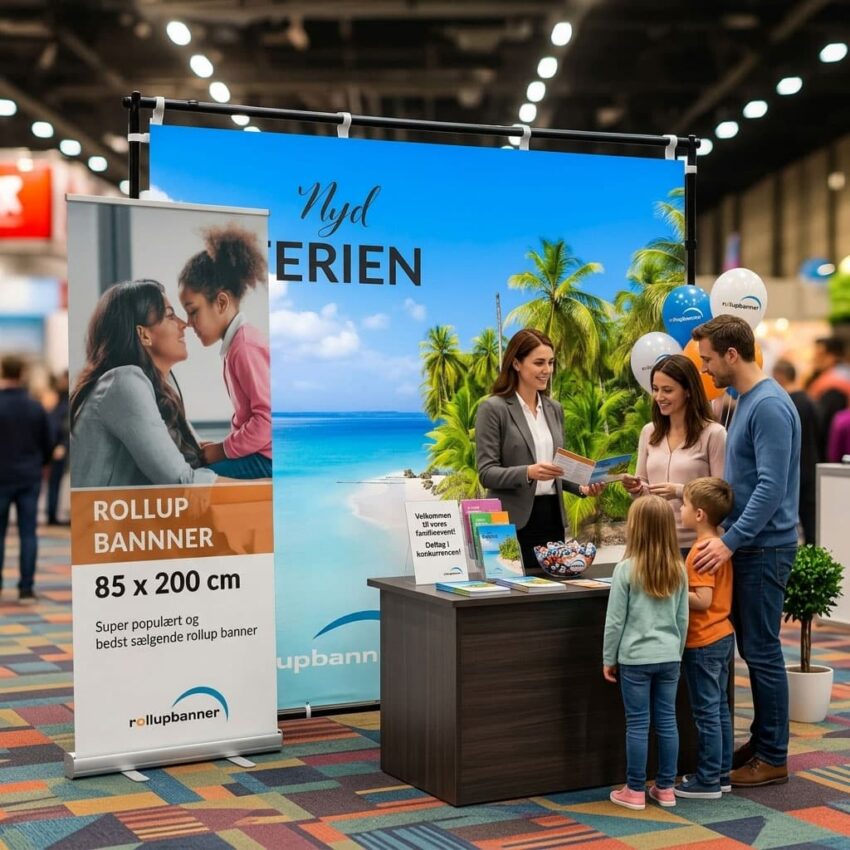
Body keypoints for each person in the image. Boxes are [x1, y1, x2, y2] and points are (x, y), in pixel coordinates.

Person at [692, 314, 800, 788]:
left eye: (709, 359)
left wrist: (728, 542)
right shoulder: (745, 401)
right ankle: (762, 741)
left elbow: (771, 488)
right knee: (755, 650)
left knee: (762, 651)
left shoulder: (768, 406)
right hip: (751, 546)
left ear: (732, 354)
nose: (706, 368)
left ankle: (773, 755)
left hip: (764, 548)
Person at [475, 328, 603, 575]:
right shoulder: (493, 409)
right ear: (516, 363)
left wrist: (582, 488)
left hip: (552, 519)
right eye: (539, 362)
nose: (547, 370)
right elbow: (487, 473)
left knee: (552, 591)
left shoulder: (554, 408)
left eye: (551, 362)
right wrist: (528, 472)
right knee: (510, 591)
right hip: (511, 523)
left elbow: (556, 469)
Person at [70, 280, 219, 488]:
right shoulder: (123, 382)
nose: (184, 324)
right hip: (111, 511)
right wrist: (262, 488)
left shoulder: (158, 384)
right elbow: (181, 481)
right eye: (170, 316)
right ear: (144, 334)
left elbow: (192, 456)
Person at [603, 495, 688, 810]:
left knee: (637, 724)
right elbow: (683, 618)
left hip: (635, 659)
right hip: (669, 657)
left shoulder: (625, 569)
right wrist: (676, 652)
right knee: (667, 721)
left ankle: (635, 790)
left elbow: (615, 621)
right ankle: (666, 788)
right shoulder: (678, 569)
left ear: (634, 528)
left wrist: (608, 658)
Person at [178, 224, 272, 479]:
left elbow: (267, 420)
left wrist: (222, 450)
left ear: (220, 302)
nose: (188, 323)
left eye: (193, 311)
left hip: (267, 459)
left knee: (199, 478)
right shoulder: (237, 344)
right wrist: (223, 446)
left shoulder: (245, 347)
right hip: (260, 453)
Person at [622, 354, 726, 554]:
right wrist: (635, 488)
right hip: (655, 545)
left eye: (667, 390)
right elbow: (643, 487)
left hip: (699, 546)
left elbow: (721, 496)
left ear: (688, 391)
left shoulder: (714, 433)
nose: (659, 397)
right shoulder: (649, 432)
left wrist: (679, 491)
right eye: (655, 389)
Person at [675, 477, 735, 800]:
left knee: (707, 712)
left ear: (699, 514)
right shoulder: (720, 542)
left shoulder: (700, 550)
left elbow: (702, 599)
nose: (680, 510)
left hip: (703, 640)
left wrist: (673, 591)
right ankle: (721, 773)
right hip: (722, 634)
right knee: (720, 709)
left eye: (684, 505)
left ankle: (708, 779)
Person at [0, 355, 53, 599]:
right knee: (28, 533)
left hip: (2, 477)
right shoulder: (35, 407)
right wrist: (41, 463)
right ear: (22, 373)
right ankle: (26, 586)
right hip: (29, 477)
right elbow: (47, 442)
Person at [772, 359, 819, 543]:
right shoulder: (809, 400)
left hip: (795, 468)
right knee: (811, 523)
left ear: (780, 376)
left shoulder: (785, 403)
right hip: (811, 465)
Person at [806, 337, 850, 460]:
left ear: (833, 357)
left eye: (820, 354)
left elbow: (825, 423)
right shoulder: (825, 379)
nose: (815, 358)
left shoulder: (835, 383)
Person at [46, 370, 70, 525]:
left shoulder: (66, 401)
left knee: (57, 482)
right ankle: (52, 514)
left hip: (62, 447)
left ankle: (53, 514)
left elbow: (66, 426)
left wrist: (63, 444)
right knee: (54, 482)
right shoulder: (60, 399)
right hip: (57, 446)